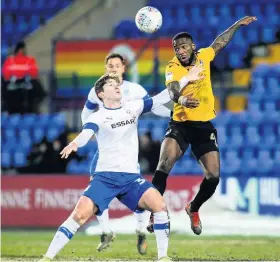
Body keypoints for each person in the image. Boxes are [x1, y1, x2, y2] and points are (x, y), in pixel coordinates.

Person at [38, 74, 174, 262]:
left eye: (117, 83)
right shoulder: (98, 116)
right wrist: (75, 144)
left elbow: (161, 98)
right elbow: (86, 133)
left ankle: (163, 257)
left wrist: (186, 79)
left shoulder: (133, 107)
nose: (117, 86)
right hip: (105, 178)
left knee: (159, 205)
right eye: (111, 85)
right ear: (101, 94)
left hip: (131, 179)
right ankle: (47, 257)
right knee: (79, 215)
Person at [82, 53, 203, 254]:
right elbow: (86, 112)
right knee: (95, 185)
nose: (112, 69)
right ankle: (105, 231)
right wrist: (88, 126)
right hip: (107, 150)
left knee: (136, 194)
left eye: (116, 65)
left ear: (123, 68)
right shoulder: (98, 91)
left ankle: (140, 231)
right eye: (109, 66)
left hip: (128, 151)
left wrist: (174, 113)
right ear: (105, 69)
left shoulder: (134, 90)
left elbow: (155, 106)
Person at [147, 16, 257, 235]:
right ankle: (155, 212)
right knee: (163, 165)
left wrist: (235, 25)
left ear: (193, 47)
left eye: (184, 46)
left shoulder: (204, 56)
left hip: (203, 126)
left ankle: (193, 208)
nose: (180, 50)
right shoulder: (172, 66)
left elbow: (220, 42)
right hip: (180, 124)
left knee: (213, 176)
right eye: (176, 47)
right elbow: (172, 90)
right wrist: (183, 100)